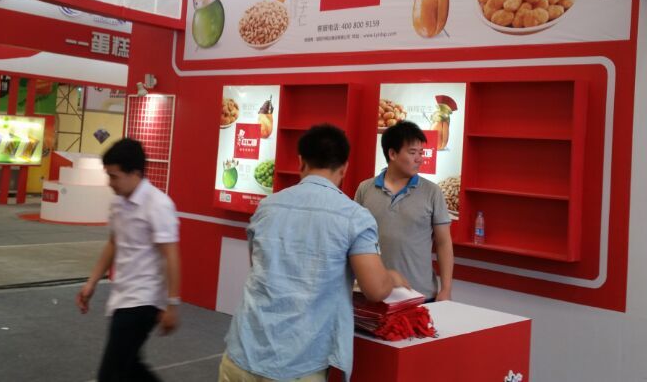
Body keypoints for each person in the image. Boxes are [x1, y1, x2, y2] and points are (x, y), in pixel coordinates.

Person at [221, 124, 409, 382]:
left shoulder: (267, 206)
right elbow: (375, 289)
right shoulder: (354, 216)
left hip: (242, 352)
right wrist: (392, 277)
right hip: (299, 363)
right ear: (344, 167)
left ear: (301, 162)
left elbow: (257, 264)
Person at [77, 138, 180, 382]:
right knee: (130, 366)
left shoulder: (159, 205)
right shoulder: (118, 204)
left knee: (111, 373)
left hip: (144, 300)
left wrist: (172, 304)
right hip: (122, 296)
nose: (109, 182)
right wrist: (91, 282)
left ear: (135, 173)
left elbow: (171, 255)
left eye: (114, 176)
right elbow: (114, 243)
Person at [355, 121, 454, 302]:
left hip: (420, 295)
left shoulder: (432, 192)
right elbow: (355, 239)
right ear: (392, 154)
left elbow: (443, 243)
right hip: (375, 293)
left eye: (421, 153)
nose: (419, 159)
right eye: (412, 152)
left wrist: (446, 289)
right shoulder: (365, 189)